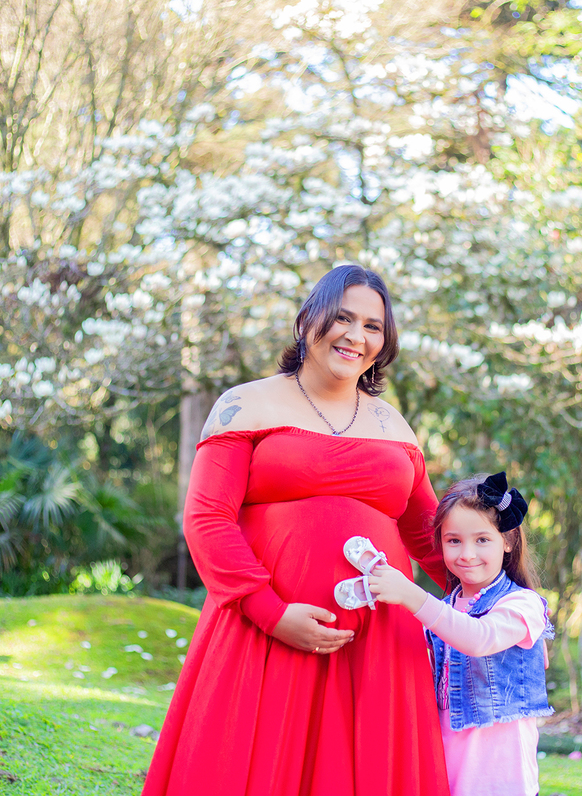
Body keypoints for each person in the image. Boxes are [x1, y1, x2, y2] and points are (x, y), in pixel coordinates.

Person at [141, 265, 451, 796]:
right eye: (344, 317)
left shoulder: (394, 426)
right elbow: (208, 518)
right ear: (310, 319)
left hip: (379, 648)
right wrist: (271, 612)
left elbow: (429, 536)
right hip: (266, 635)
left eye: (373, 326)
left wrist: (502, 604)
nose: (356, 335)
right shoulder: (246, 404)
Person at [359, 472, 554, 796]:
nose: (466, 554)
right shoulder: (444, 612)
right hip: (445, 774)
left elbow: (480, 638)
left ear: (507, 541)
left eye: (482, 540)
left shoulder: (523, 603)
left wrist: (410, 595)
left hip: (502, 780)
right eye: (454, 541)